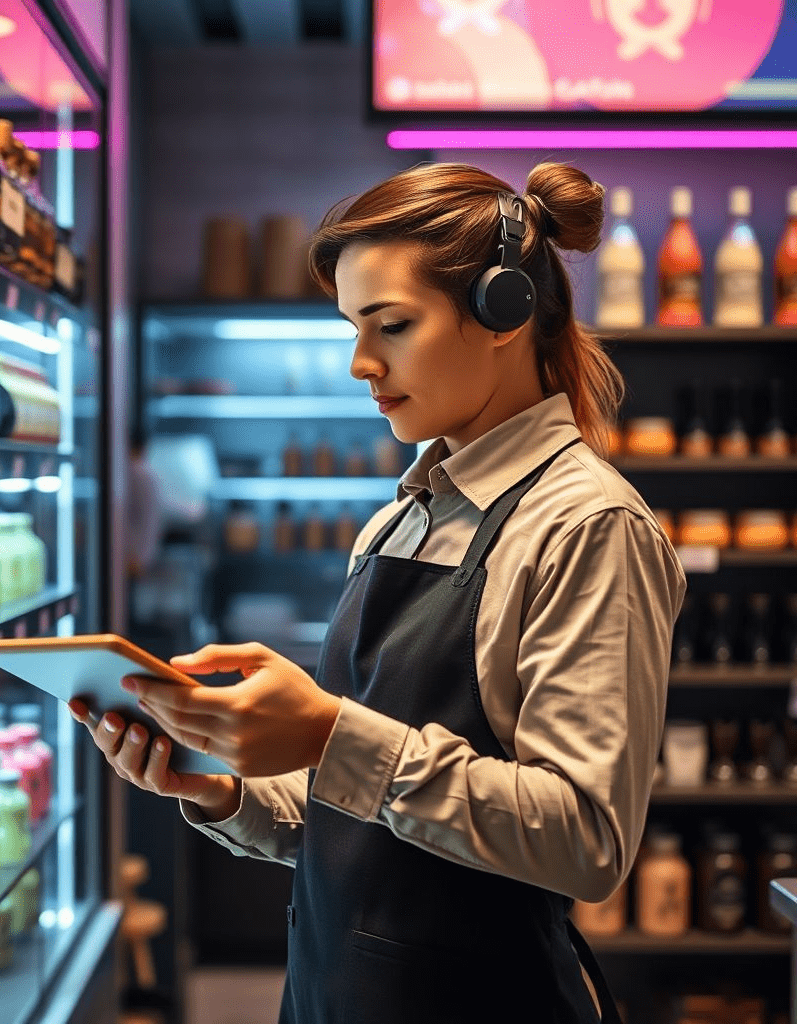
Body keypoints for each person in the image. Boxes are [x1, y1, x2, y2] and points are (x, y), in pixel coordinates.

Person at [71, 162, 686, 1023]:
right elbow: (361, 816)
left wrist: (329, 728)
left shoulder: (586, 526)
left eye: (390, 325)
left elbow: (585, 838)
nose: (361, 363)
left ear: (503, 313)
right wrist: (217, 788)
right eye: (352, 329)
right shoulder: (401, 518)